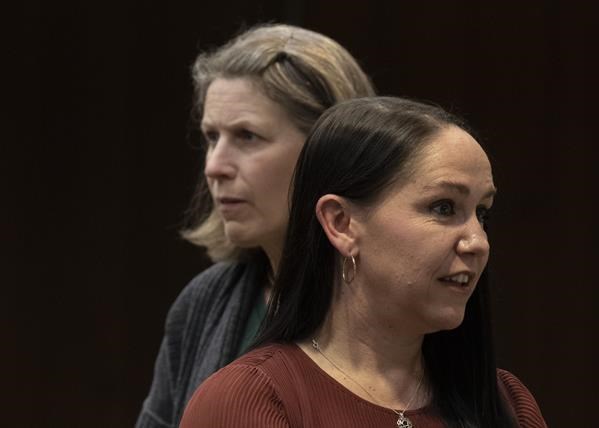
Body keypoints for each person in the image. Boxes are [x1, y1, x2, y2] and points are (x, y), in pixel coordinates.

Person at [179, 97, 548, 428]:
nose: (477, 242)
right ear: (341, 223)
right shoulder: (250, 399)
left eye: (482, 213)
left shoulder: (507, 402)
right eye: (443, 207)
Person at [135, 24, 375, 428]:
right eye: (211, 137)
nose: (214, 166)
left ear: (329, 150)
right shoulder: (204, 303)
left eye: (247, 136)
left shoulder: (402, 301)